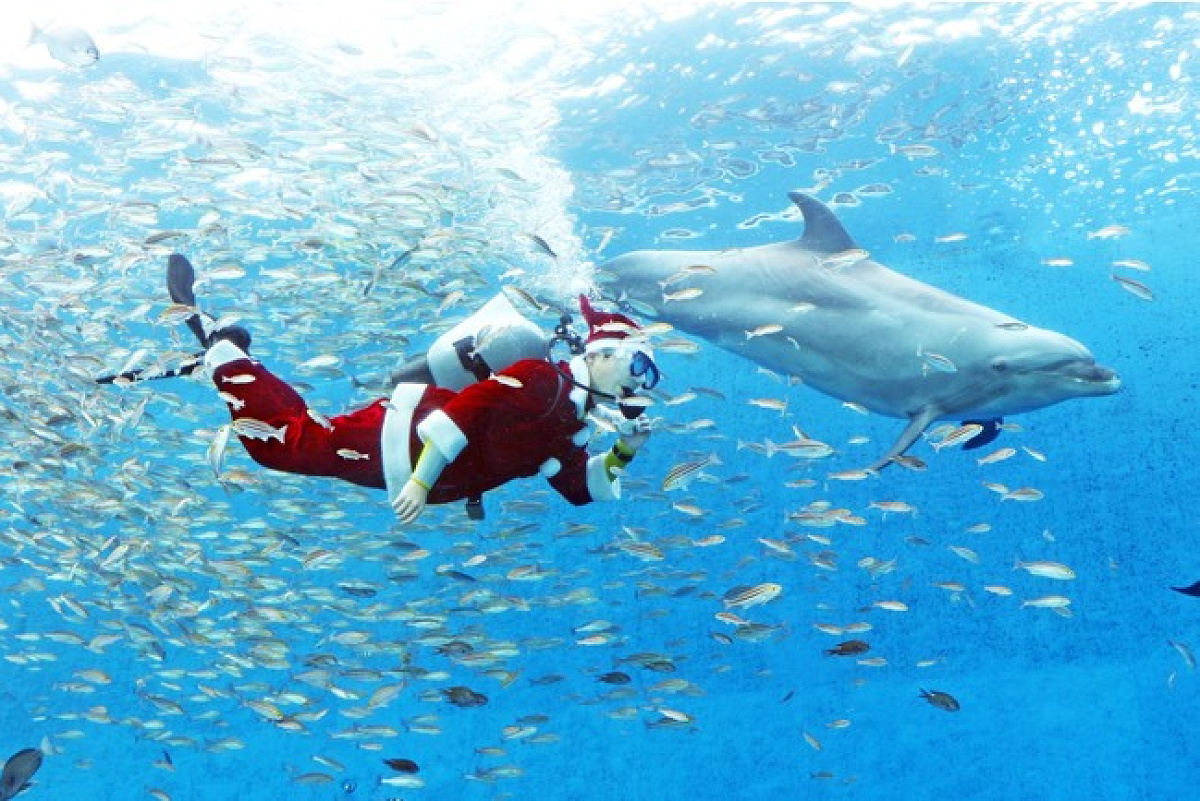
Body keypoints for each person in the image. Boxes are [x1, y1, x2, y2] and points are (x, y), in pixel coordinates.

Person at [174, 256, 659, 524]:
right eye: (639, 363)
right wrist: (421, 481)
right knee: (280, 448)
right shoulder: (540, 378)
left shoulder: (569, 425)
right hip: (401, 438)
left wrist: (625, 450)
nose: (641, 381)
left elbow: (577, 488)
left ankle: (233, 360)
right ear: (598, 353)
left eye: (651, 376)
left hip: (407, 464)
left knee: (301, 437)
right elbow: (464, 412)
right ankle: (225, 355)